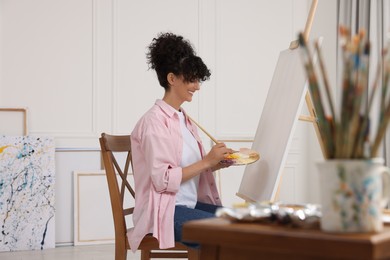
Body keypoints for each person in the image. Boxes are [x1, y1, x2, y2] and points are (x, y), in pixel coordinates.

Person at [128, 32, 234, 252]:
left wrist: (216, 162)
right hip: (164, 212)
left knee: (244, 225)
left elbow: (189, 168)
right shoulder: (153, 122)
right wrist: (206, 162)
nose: (197, 86)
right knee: (227, 234)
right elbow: (162, 180)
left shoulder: (184, 119)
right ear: (172, 78)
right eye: (192, 79)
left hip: (187, 205)